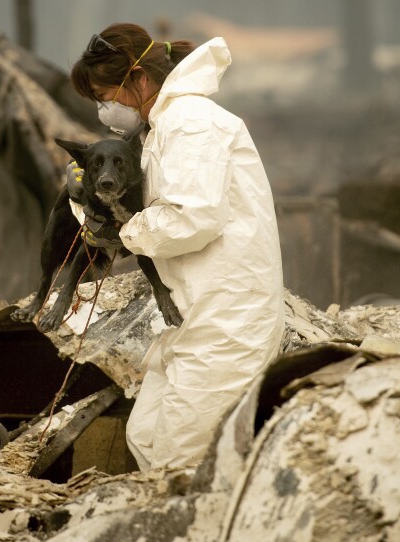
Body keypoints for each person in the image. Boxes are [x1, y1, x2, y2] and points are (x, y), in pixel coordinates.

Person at [67, 24, 285, 471]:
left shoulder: (192, 125)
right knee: (146, 436)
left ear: (140, 80)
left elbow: (191, 217)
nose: (106, 110)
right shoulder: (162, 129)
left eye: (107, 95)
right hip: (194, 320)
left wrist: (120, 232)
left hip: (226, 325)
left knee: (182, 462)